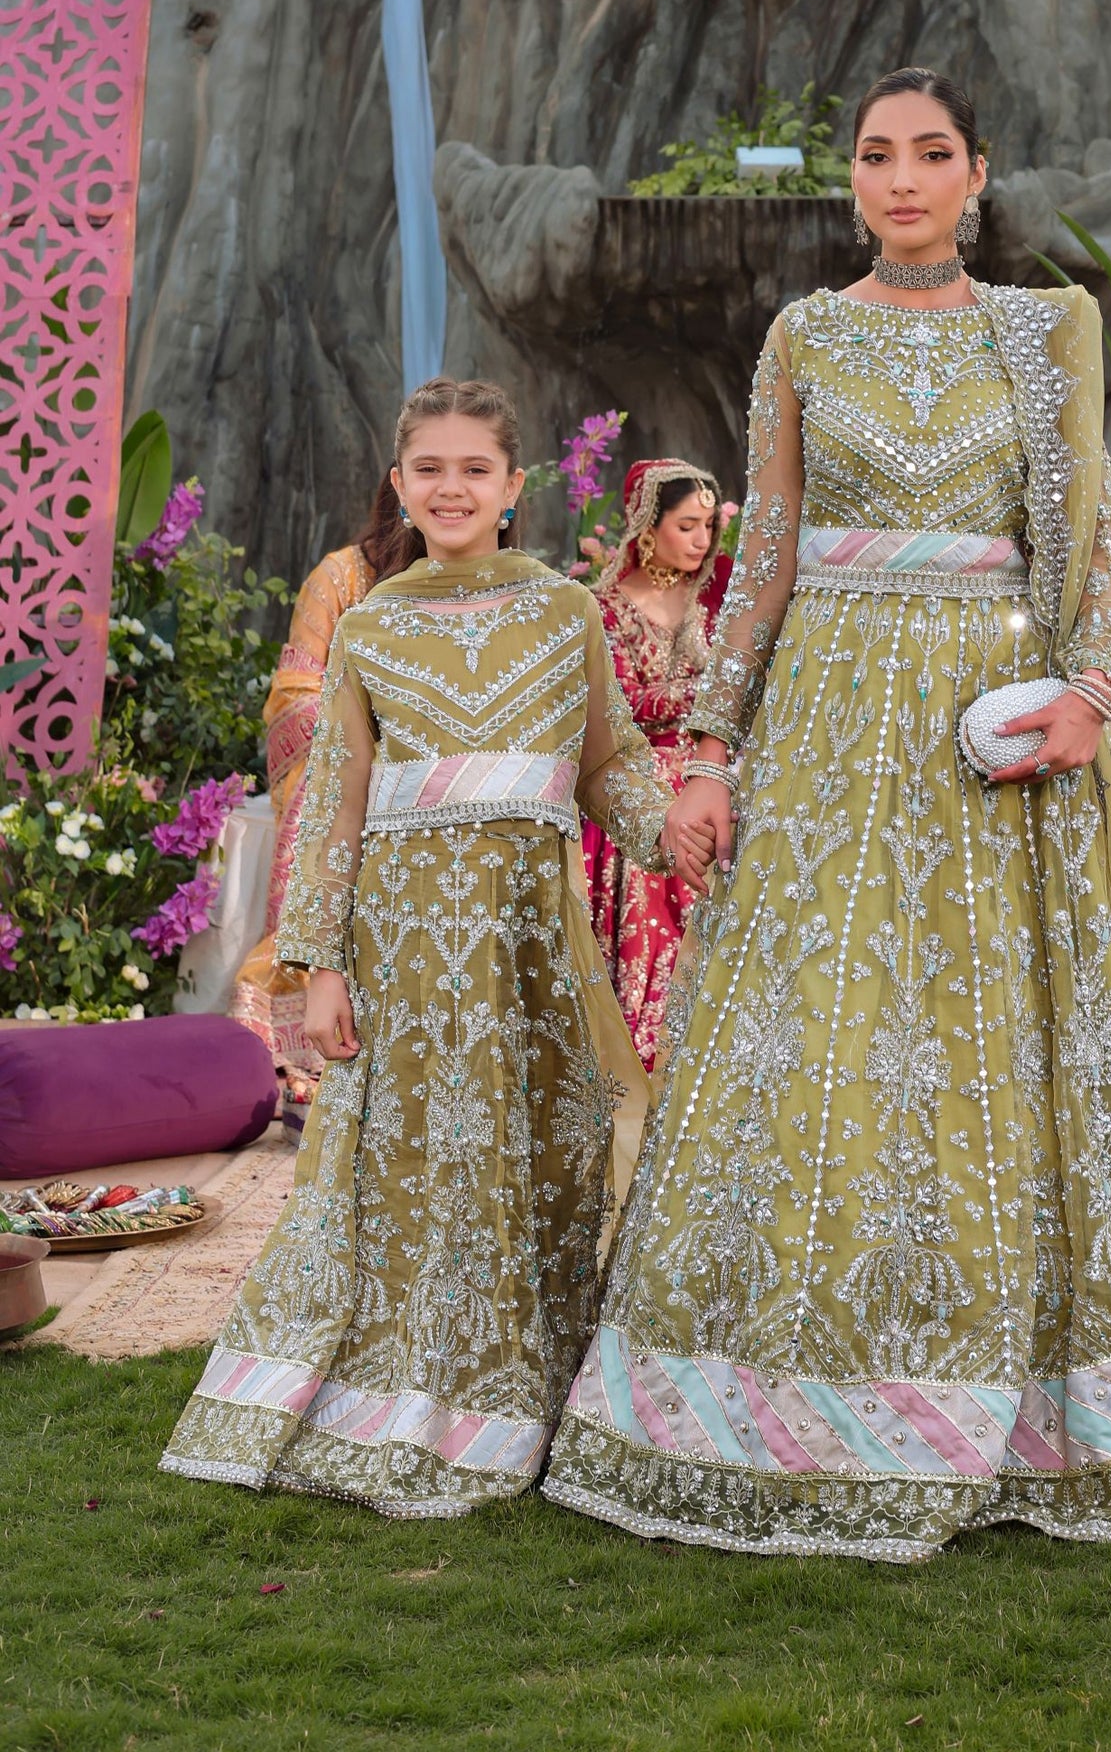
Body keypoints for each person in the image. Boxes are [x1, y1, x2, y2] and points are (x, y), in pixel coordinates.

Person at [544, 67, 1111, 1560]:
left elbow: (1090, 531)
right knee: (822, 1022)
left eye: (932, 153)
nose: (904, 178)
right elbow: (768, 552)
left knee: (993, 1029)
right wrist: (711, 748)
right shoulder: (804, 333)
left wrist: (1092, 692)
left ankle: (1022, 1386)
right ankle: (782, 1384)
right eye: (877, 155)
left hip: (994, 726)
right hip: (826, 722)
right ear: (853, 177)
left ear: (978, 172)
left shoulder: (1044, 328)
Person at [161, 378, 713, 1517]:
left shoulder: (563, 614)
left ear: (512, 488)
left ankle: (521, 1387)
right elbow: (335, 807)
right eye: (429, 469)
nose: (450, 488)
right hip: (401, 948)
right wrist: (321, 965)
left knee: (536, 1155)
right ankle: (399, 1382)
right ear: (400, 484)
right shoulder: (371, 626)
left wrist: (676, 836)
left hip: (531, 946)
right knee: (404, 1167)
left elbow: (608, 763)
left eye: (473, 469)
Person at [232, 476, 415, 1060]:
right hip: (349, 762)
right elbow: (296, 691)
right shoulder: (340, 577)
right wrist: (366, 743)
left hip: (434, 777)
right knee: (328, 794)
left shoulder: (471, 585)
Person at [582, 461, 732, 1071]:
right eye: (686, 525)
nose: (702, 540)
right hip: (638, 788)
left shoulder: (719, 603)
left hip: (714, 780)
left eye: (707, 527)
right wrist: (712, 694)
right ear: (648, 525)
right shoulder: (603, 608)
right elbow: (617, 703)